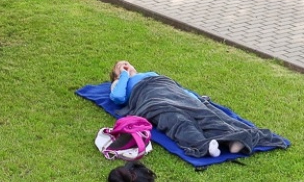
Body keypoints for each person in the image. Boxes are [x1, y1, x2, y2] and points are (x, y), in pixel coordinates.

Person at [107, 60, 288, 160]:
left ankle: (234, 140)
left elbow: (177, 87)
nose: (127, 65)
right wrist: (122, 75)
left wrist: (196, 100)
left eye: (128, 63)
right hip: (151, 98)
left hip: (172, 91)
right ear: (116, 74)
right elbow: (118, 97)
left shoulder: (149, 73)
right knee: (176, 119)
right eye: (121, 65)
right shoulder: (119, 82)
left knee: (205, 115)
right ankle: (203, 145)